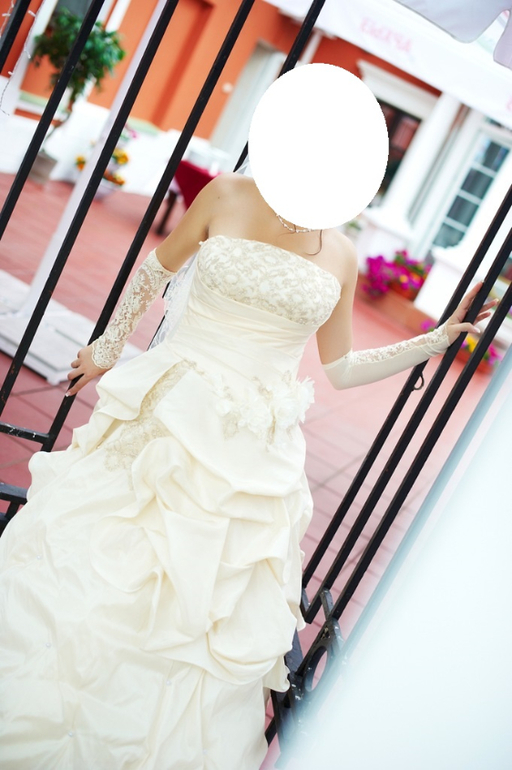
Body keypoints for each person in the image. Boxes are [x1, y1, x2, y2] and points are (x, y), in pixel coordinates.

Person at [0, 172, 495, 769]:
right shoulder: (228, 194)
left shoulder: (341, 253)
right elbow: (154, 271)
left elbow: (340, 367)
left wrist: (435, 340)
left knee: (208, 600)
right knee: (109, 554)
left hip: (254, 450)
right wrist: (106, 349)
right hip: (171, 414)